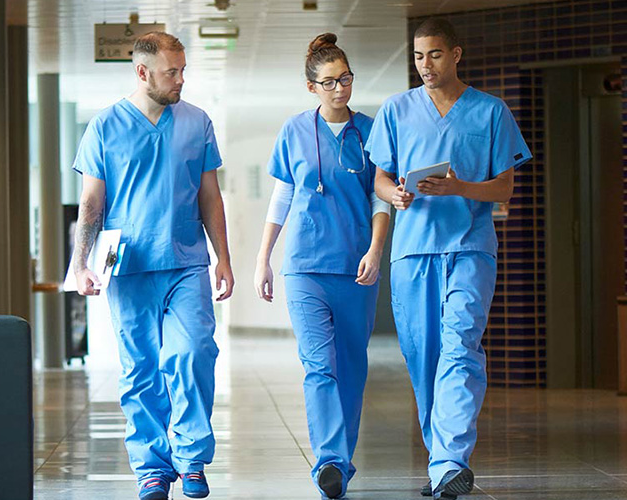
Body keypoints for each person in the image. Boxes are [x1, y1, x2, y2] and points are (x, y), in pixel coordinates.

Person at [364, 18, 531, 500]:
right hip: (413, 252)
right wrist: (394, 194)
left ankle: (451, 461)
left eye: (434, 54)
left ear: (455, 55)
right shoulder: (397, 110)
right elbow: (380, 178)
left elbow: (504, 188)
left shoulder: (491, 111)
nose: (425, 65)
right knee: (423, 359)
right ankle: (441, 462)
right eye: (418, 56)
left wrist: (460, 187)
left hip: (470, 248)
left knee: (460, 348)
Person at [71, 31, 234, 500]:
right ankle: (152, 468)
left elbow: (210, 195)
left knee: (193, 352)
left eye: (183, 70)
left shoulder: (197, 122)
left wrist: (223, 258)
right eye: (171, 72)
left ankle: (191, 457)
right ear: (143, 72)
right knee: (141, 369)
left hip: (186, 260)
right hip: (129, 265)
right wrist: (81, 264)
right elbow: (92, 202)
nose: (180, 79)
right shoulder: (104, 126)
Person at [253, 33, 390, 500]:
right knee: (318, 365)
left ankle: (341, 463)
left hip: (356, 267)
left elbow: (380, 197)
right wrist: (263, 258)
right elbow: (283, 196)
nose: (339, 89)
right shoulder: (294, 130)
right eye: (329, 82)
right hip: (305, 267)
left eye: (345, 79)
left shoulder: (371, 131)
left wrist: (375, 250)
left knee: (351, 366)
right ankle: (329, 460)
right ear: (311, 86)